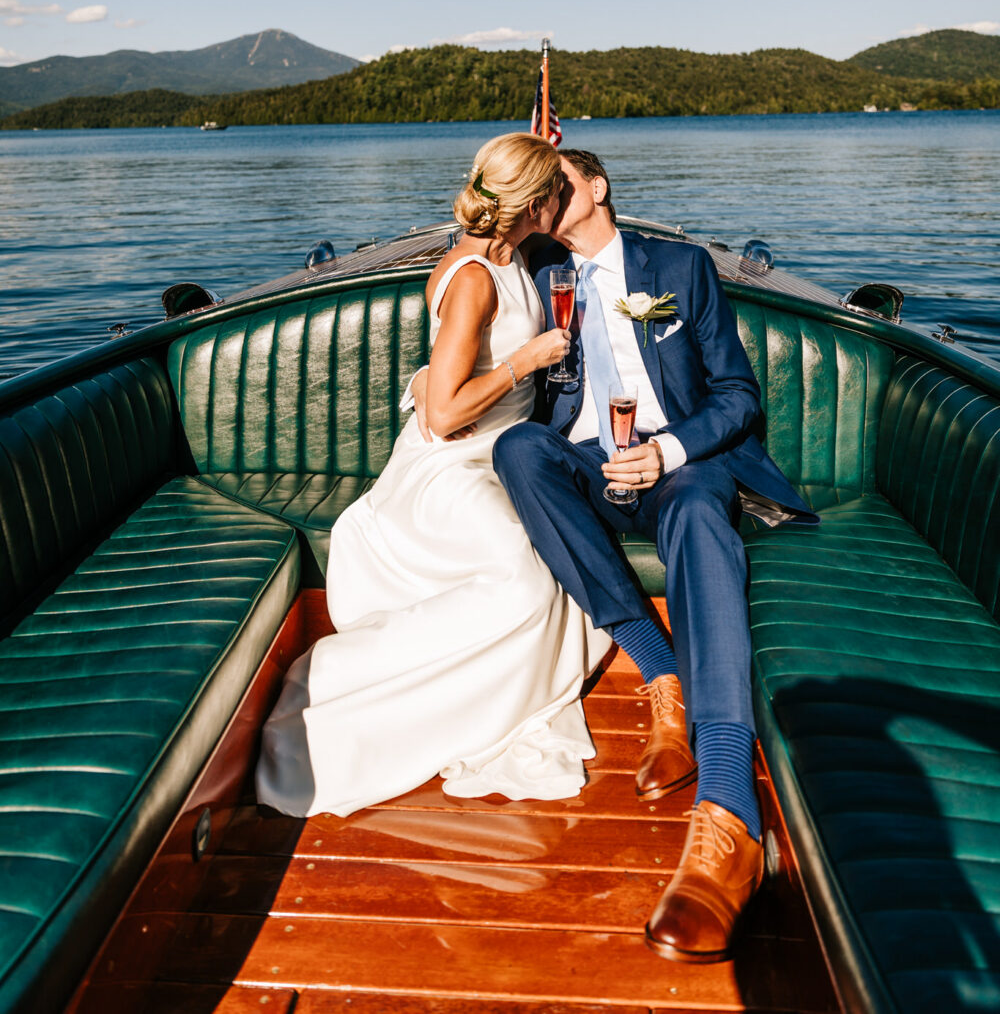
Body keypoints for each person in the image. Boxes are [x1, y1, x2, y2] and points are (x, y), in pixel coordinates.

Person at [490, 149, 813, 964]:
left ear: (598, 187)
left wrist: (667, 453)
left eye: (560, 180)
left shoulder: (678, 267)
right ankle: (659, 673)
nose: (548, 196)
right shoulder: (541, 274)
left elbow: (738, 395)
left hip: (679, 465)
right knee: (521, 451)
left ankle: (730, 810)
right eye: (539, 189)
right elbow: (474, 239)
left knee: (704, 513)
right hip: (591, 464)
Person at [255, 133, 611, 818]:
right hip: (451, 469)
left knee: (557, 557)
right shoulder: (474, 276)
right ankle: (344, 684)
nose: (563, 199)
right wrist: (529, 360)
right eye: (555, 191)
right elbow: (443, 413)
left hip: (502, 456)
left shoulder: (513, 257)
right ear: (533, 202)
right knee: (525, 581)